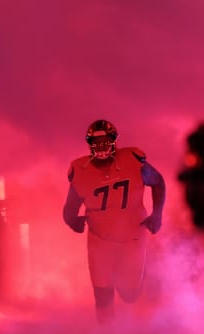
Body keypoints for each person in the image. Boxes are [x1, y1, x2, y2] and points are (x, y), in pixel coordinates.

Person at [62, 119, 166, 323]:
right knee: (102, 294)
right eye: (96, 142)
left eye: (105, 141)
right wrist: (72, 221)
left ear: (114, 141)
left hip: (132, 237)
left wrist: (157, 214)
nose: (101, 147)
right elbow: (69, 207)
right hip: (99, 240)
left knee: (129, 294)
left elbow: (158, 182)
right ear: (89, 143)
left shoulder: (132, 160)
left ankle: (146, 270)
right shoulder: (81, 170)